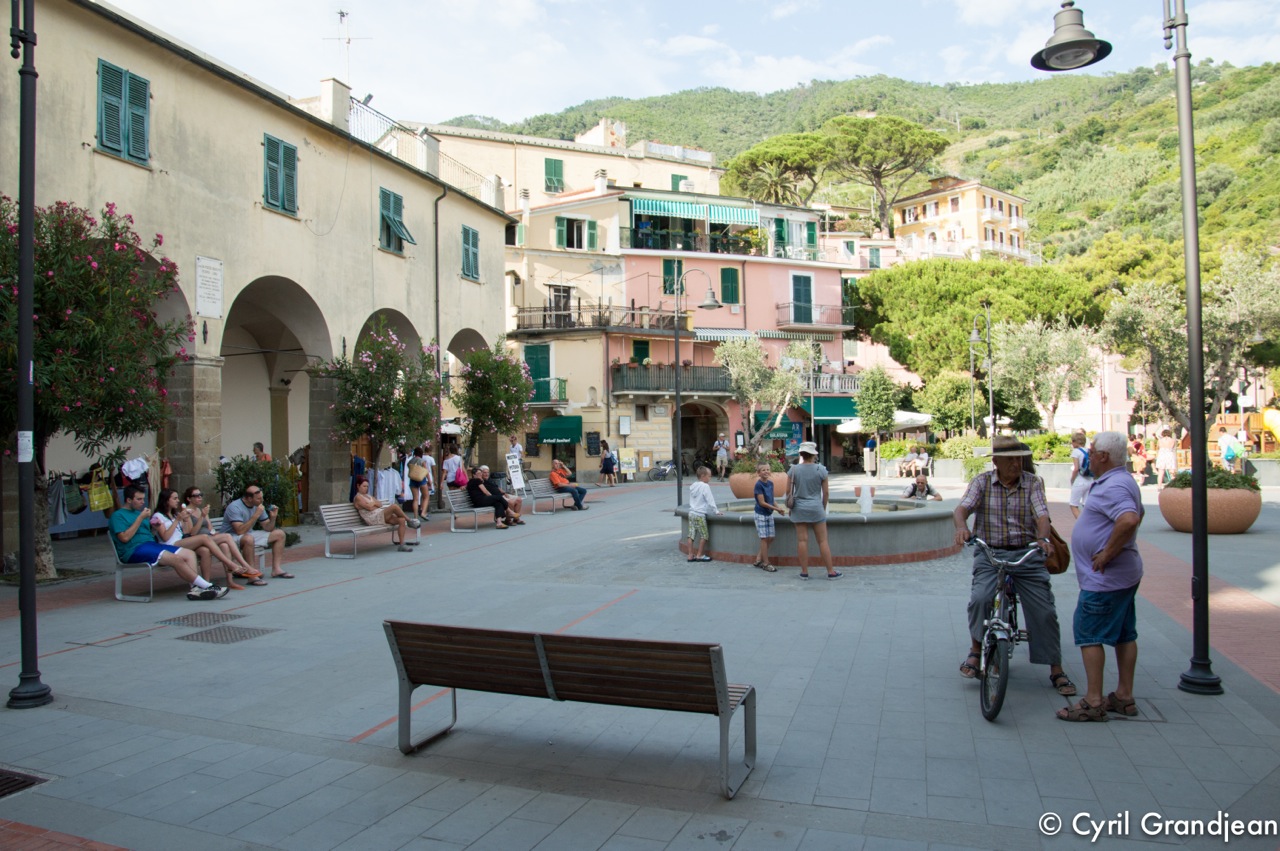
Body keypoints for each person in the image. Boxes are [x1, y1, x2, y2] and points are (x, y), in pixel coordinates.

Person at [954, 435, 1075, 696]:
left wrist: (1042, 538)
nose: (1016, 464)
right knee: (980, 598)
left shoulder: (1032, 483)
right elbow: (962, 509)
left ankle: (1056, 668)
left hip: (1026, 554)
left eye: (1020, 458)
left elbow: (1042, 514)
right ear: (996, 461)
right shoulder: (982, 482)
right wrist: (962, 528)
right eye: (1010, 460)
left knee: (1043, 610)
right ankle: (975, 651)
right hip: (990, 553)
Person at [1059, 431, 1144, 722]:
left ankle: (1094, 701)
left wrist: (1107, 553)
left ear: (1103, 456)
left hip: (1105, 580)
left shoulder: (1113, 486)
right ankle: (1123, 696)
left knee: (1088, 633)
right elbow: (1136, 514)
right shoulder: (1122, 480)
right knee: (1123, 634)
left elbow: (1130, 518)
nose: (1089, 455)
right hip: (1122, 577)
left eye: (1092, 451)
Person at [110, 485, 227, 601]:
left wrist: (154, 529)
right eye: (139, 499)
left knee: (189, 553)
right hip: (133, 550)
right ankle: (207, 586)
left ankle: (195, 589)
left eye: (143, 499)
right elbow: (124, 538)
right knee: (175, 558)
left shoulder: (140, 514)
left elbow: (148, 535)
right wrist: (140, 518)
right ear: (129, 500)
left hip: (151, 545)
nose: (142, 502)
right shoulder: (118, 516)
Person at [151, 488, 265, 590]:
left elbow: (186, 532)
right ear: (166, 500)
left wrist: (183, 520)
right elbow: (165, 537)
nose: (177, 501)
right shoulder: (158, 516)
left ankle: (206, 584)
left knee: (207, 550)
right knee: (222, 537)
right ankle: (235, 565)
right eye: (174, 498)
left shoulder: (176, 514)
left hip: (184, 541)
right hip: (171, 546)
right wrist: (180, 520)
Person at [785, 441, 841, 580]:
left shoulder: (794, 470)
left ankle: (804, 572)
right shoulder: (821, 470)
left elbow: (787, 492)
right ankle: (830, 571)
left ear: (801, 454)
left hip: (799, 507)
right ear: (814, 454)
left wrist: (790, 508)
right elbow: (826, 493)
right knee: (822, 541)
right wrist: (822, 507)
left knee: (802, 541)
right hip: (816, 507)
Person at [221, 483, 291, 579]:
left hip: (248, 534)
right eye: (259, 498)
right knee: (248, 539)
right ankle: (252, 575)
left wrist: (273, 518)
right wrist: (256, 515)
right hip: (231, 537)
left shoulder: (257, 506)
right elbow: (239, 531)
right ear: (249, 499)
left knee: (279, 534)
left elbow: (268, 528)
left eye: (262, 497)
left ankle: (276, 569)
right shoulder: (234, 507)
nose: (262, 500)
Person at [353, 475, 419, 552]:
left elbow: (380, 504)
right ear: (358, 486)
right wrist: (374, 504)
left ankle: (402, 545)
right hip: (373, 518)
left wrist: (373, 503)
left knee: (401, 520)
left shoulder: (367, 496)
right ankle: (410, 521)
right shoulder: (358, 497)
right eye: (364, 486)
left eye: (367, 486)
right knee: (394, 506)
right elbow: (369, 508)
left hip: (379, 514)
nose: (366, 488)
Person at [752, 463, 785, 572]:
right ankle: (765, 563)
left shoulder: (770, 483)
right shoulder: (758, 485)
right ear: (758, 473)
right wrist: (777, 509)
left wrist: (778, 508)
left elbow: (771, 499)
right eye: (763, 470)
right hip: (761, 514)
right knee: (764, 538)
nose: (766, 471)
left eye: (768, 469)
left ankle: (758, 558)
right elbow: (762, 503)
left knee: (771, 537)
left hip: (769, 513)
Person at [686, 466, 721, 562]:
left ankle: (690, 555)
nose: (710, 478)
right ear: (703, 476)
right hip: (700, 514)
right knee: (704, 535)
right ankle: (699, 555)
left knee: (691, 535)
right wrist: (716, 511)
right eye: (709, 476)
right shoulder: (705, 486)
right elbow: (710, 500)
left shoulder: (693, 485)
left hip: (691, 513)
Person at [1068, 432, 1093, 518]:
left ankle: (1081, 525)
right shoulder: (1089, 451)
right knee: (1086, 505)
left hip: (1080, 480)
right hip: (1090, 480)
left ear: (1075, 442)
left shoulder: (1076, 452)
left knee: (1073, 505)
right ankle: (1089, 523)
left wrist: (1072, 479)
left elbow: (1076, 468)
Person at [407, 446, 433, 520]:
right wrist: (430, 481)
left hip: (412, 480)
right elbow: (426, 471)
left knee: (415, 499)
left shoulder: (410, 461)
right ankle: (423, 513)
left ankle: (415, 517)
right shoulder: (422, 461)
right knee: (426, 496)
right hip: (421, 480)